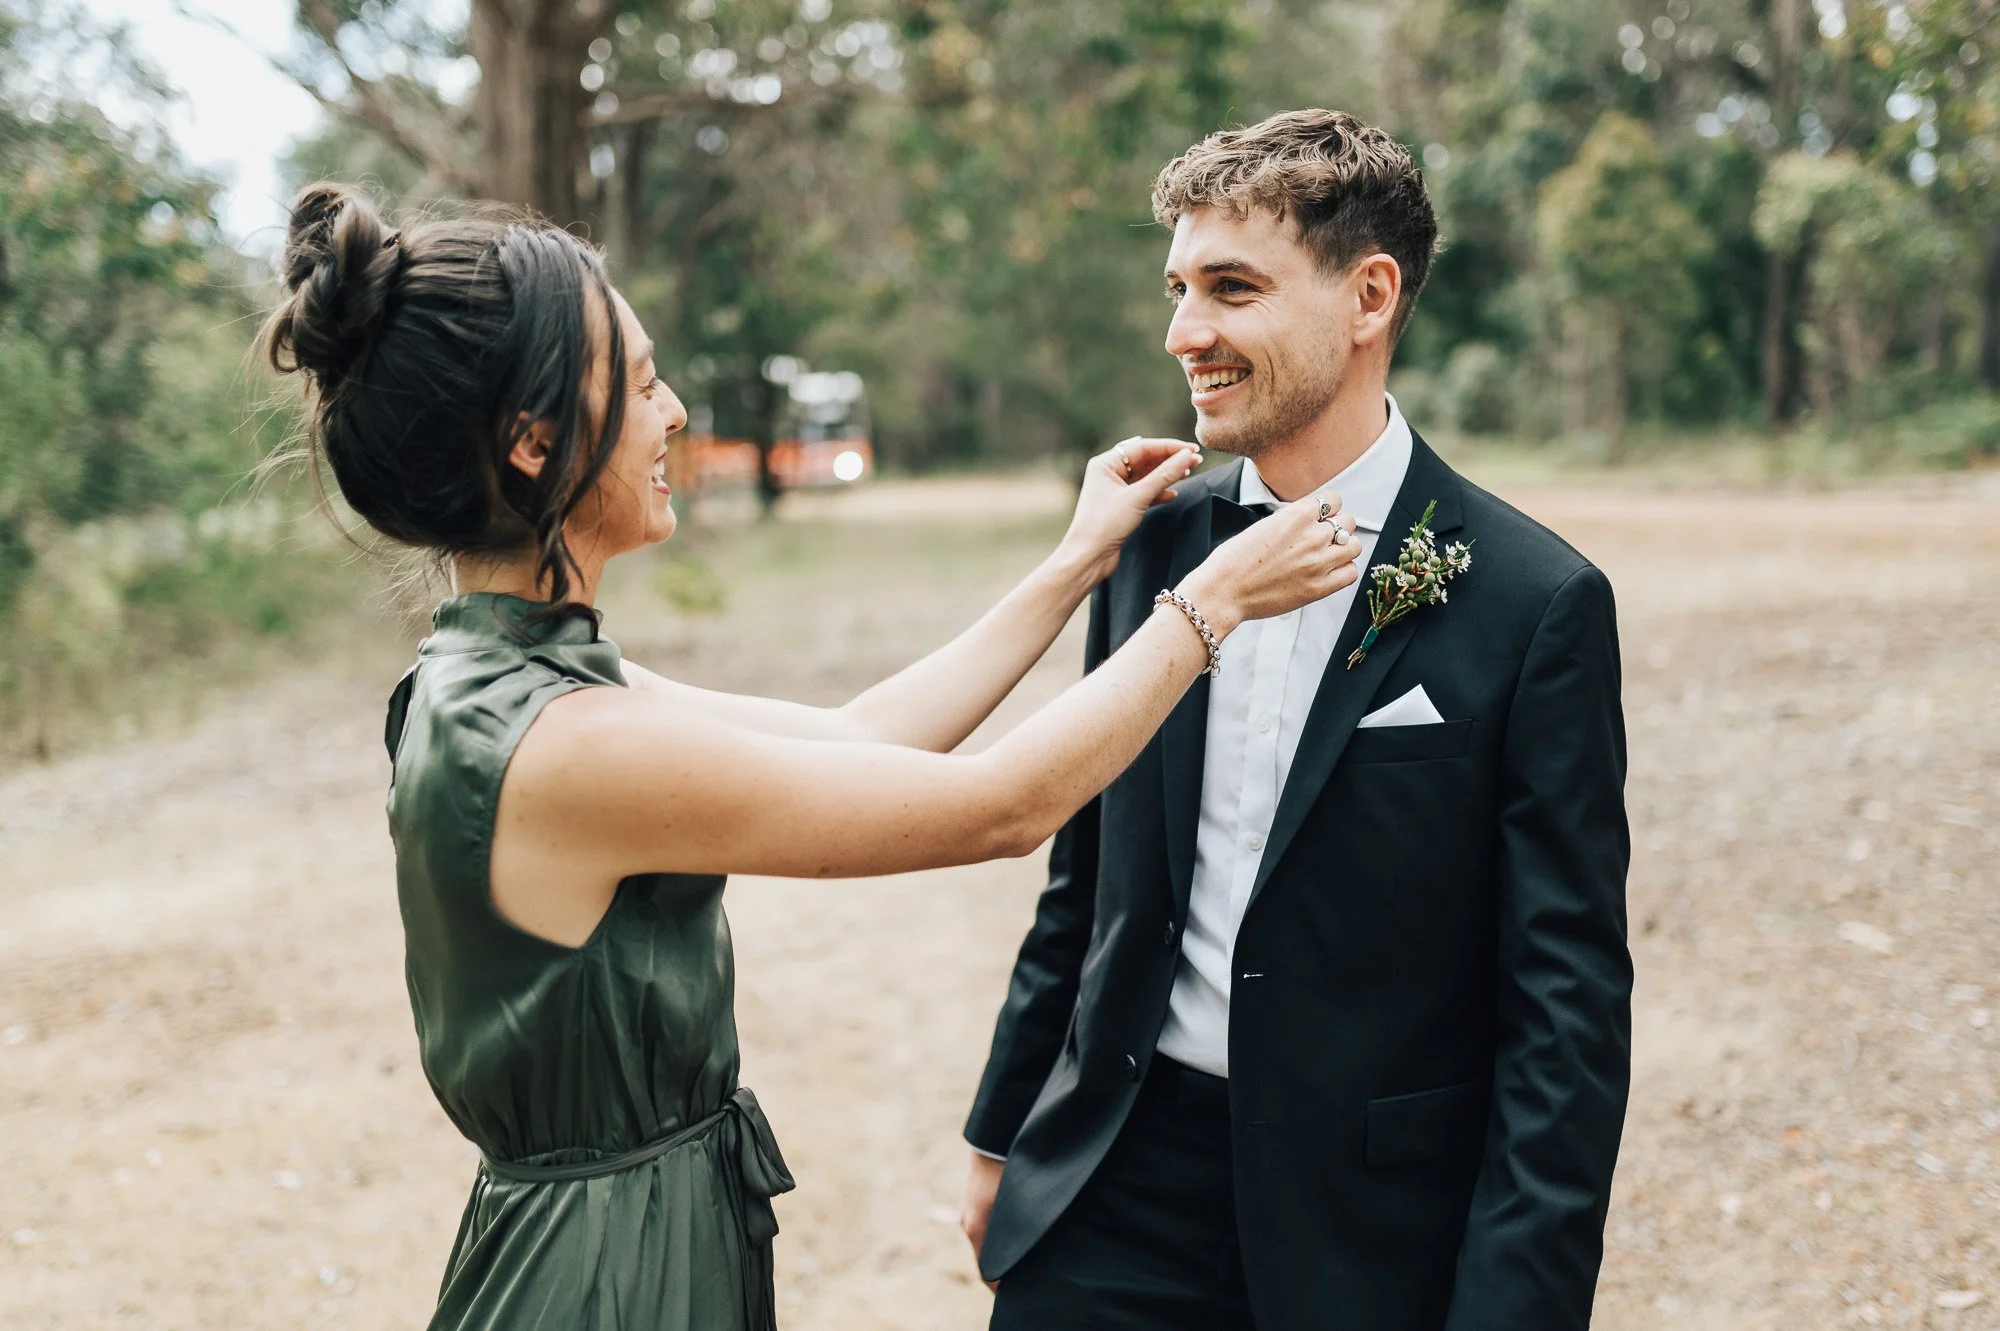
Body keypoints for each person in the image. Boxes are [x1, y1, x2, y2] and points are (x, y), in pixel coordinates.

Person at [259, 182, 1364, 1331]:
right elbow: (998, 806)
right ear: (534, 444)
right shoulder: (567, 742)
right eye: (640, 384)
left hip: (622, 1238)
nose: (676, 412)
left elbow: (859, 737)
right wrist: (1206, 606)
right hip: (608, 1282)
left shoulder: (504, 677)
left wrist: (1075, 561)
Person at [960, 109, 1635, 1331]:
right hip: (1113, 1180)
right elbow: (1090, 871)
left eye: (1229, 288)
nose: (1184, 334)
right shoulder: (1150, 543)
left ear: (1367, 296)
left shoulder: (1536, 602)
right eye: (1176, 288)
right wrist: (1003, 1132)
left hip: (1368, 1230)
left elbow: (1564, 1012)